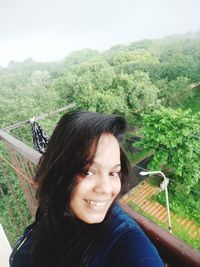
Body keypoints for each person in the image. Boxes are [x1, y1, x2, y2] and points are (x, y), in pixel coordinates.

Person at [10, 110, 164, 267]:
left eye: (113, 173)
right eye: (88, 171)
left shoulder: (127, 243)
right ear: (59, 170)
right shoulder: (51, 208)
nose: (105, 189)